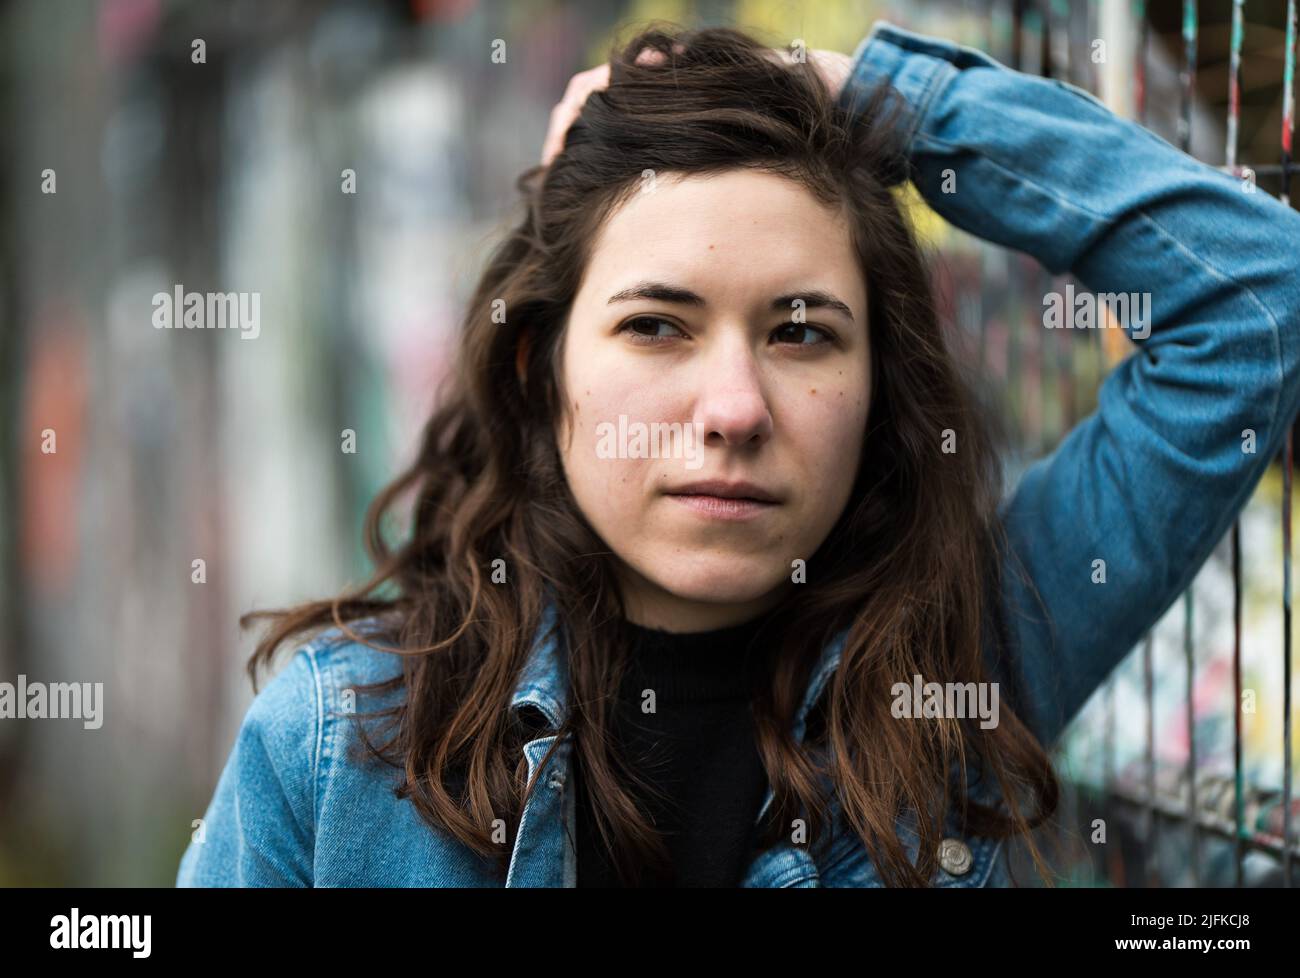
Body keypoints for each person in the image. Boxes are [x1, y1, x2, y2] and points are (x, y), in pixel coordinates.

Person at [176, 20, 1300, 887]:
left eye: (801, 332)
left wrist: (863, 97)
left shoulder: (968, 665)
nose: (733, 408)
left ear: (879, 392)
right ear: (539, 371)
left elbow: (1255, 295)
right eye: (656, 325)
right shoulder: (337, 751)